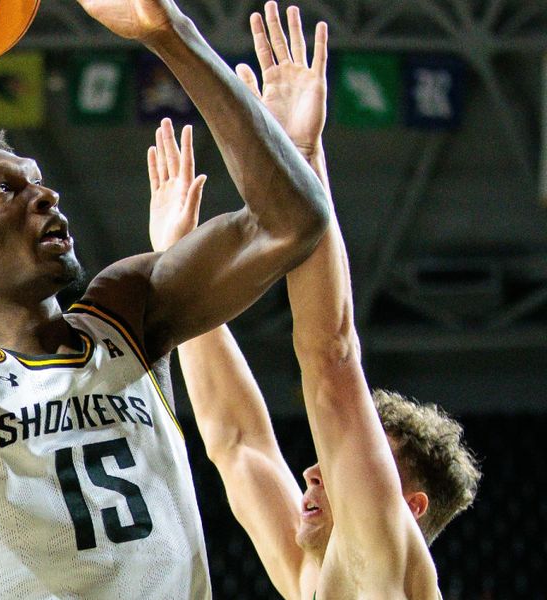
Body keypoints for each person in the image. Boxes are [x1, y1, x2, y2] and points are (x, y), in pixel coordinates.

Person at [0, 0, 330, 597]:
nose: (46, 195)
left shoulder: (126, 313)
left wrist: (170, 33)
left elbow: (290, 222)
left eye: (37, 178)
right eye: (5, 190)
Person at [148, 4, 481, 599]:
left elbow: (331, 359)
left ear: (410, 507)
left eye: (352, 456)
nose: (312, 467)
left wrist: (302, 158)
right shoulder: (316, 581)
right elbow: (237, 442)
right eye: (338, 453)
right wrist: (183, 264)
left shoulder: (384, 566)